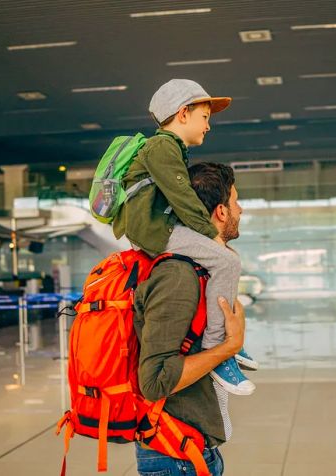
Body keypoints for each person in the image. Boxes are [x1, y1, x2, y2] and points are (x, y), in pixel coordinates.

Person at [113, 78, 257, 395]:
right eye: (205, 117)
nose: (208, 126)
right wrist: (210, 236)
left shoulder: (169, 148)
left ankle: (223, 346)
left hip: (155, 227)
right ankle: (218, 350)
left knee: (221, 262)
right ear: (183, 113)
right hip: (154, 231)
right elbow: (181, 196)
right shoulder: (162, 147)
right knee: (227, 261)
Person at [133, 162, 246, 475]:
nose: (241, 210)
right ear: (221, 212)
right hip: (175, 457)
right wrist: (229, 346)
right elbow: (154, 382)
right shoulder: (178, 276)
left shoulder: (202, 271)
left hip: (191, 453)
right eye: (236, 202)